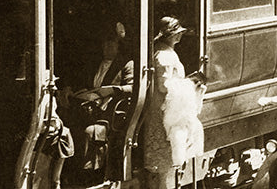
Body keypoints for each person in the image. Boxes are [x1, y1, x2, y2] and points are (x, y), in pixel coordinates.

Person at [56, 22, 135, 186]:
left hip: (108, 115)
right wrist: (72, 89)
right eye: (105, 43)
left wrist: (112, 90)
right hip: (88, 109)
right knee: (63, 125)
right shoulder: (95, 63)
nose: (107, 47)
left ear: (118, 45)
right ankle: (65, 175)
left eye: (111, 43)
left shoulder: (126, 64)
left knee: (88, 132)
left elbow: (133, 88)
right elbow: (82, 81)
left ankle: (88, 178)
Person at [144, 16, 205, 189]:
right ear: (168, 35)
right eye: (176, 34)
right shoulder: (164, 55)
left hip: (164, 108)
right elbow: (164, 86)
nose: (179, 37)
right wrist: (189, 84)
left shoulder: (160, 51)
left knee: (162, 161)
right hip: (166, 110)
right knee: (164, 159)